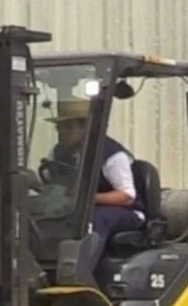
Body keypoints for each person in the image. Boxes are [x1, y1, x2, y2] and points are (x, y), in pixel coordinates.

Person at [49, 99, 146, 260]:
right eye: (59, 128)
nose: (62, 132)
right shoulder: (59, 152)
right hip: (77, 206)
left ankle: (81, 269)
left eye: (68, 127)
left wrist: (88, 198)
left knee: (93, 218)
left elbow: (126, 196)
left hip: (126, 212)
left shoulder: (111, 154)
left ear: (86, 127)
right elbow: (51, 182)